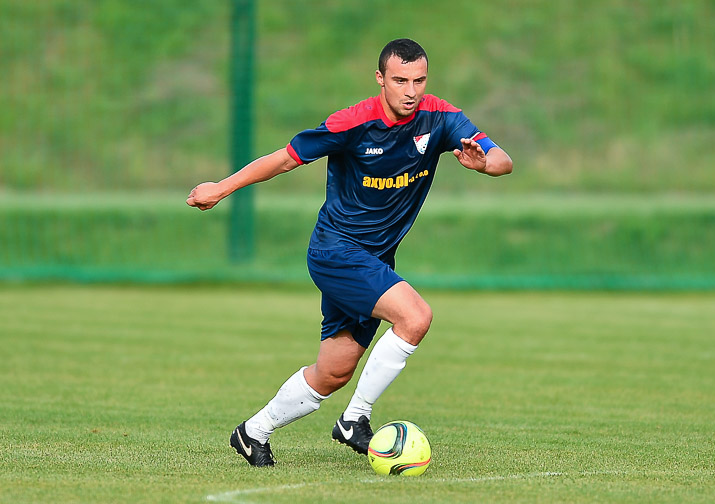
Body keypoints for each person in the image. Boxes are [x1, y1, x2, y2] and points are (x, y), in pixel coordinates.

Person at [186, 38, 512, 467]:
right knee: (415, 317)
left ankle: (253, 432)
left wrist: (485, 164)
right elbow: (284, 159)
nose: (411, 91)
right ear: (380, 79)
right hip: (336, 251)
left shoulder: (440, 117)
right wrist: (221, 188)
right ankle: (355, 418)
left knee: (332, 373)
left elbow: (503, 159)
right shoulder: (353, 122)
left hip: (375, 261)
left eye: (419, 80)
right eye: (400, 80)